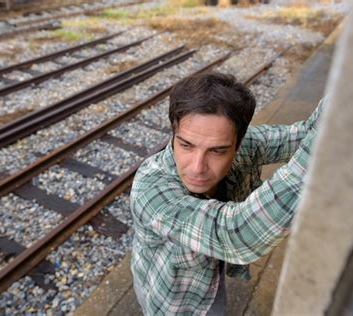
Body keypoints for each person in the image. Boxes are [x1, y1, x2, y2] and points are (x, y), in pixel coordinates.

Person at [130, 72, 323, 315]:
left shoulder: (246, 144)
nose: (197, 167)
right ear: (174, 132)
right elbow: (236, 235)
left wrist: (348, 94)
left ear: (238, 142)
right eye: (186, 145)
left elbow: (304, 135)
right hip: (172, 299)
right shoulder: (151, 187)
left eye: (218, 151)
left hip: (209, 275)